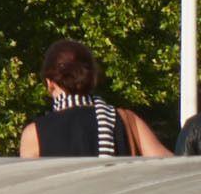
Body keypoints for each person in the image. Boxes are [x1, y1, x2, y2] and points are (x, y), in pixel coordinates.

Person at [15, 34, 172, 158]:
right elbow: (170, 166)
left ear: (50, 83)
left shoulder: (34, 133)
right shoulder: (125, 119)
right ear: (92, 78)